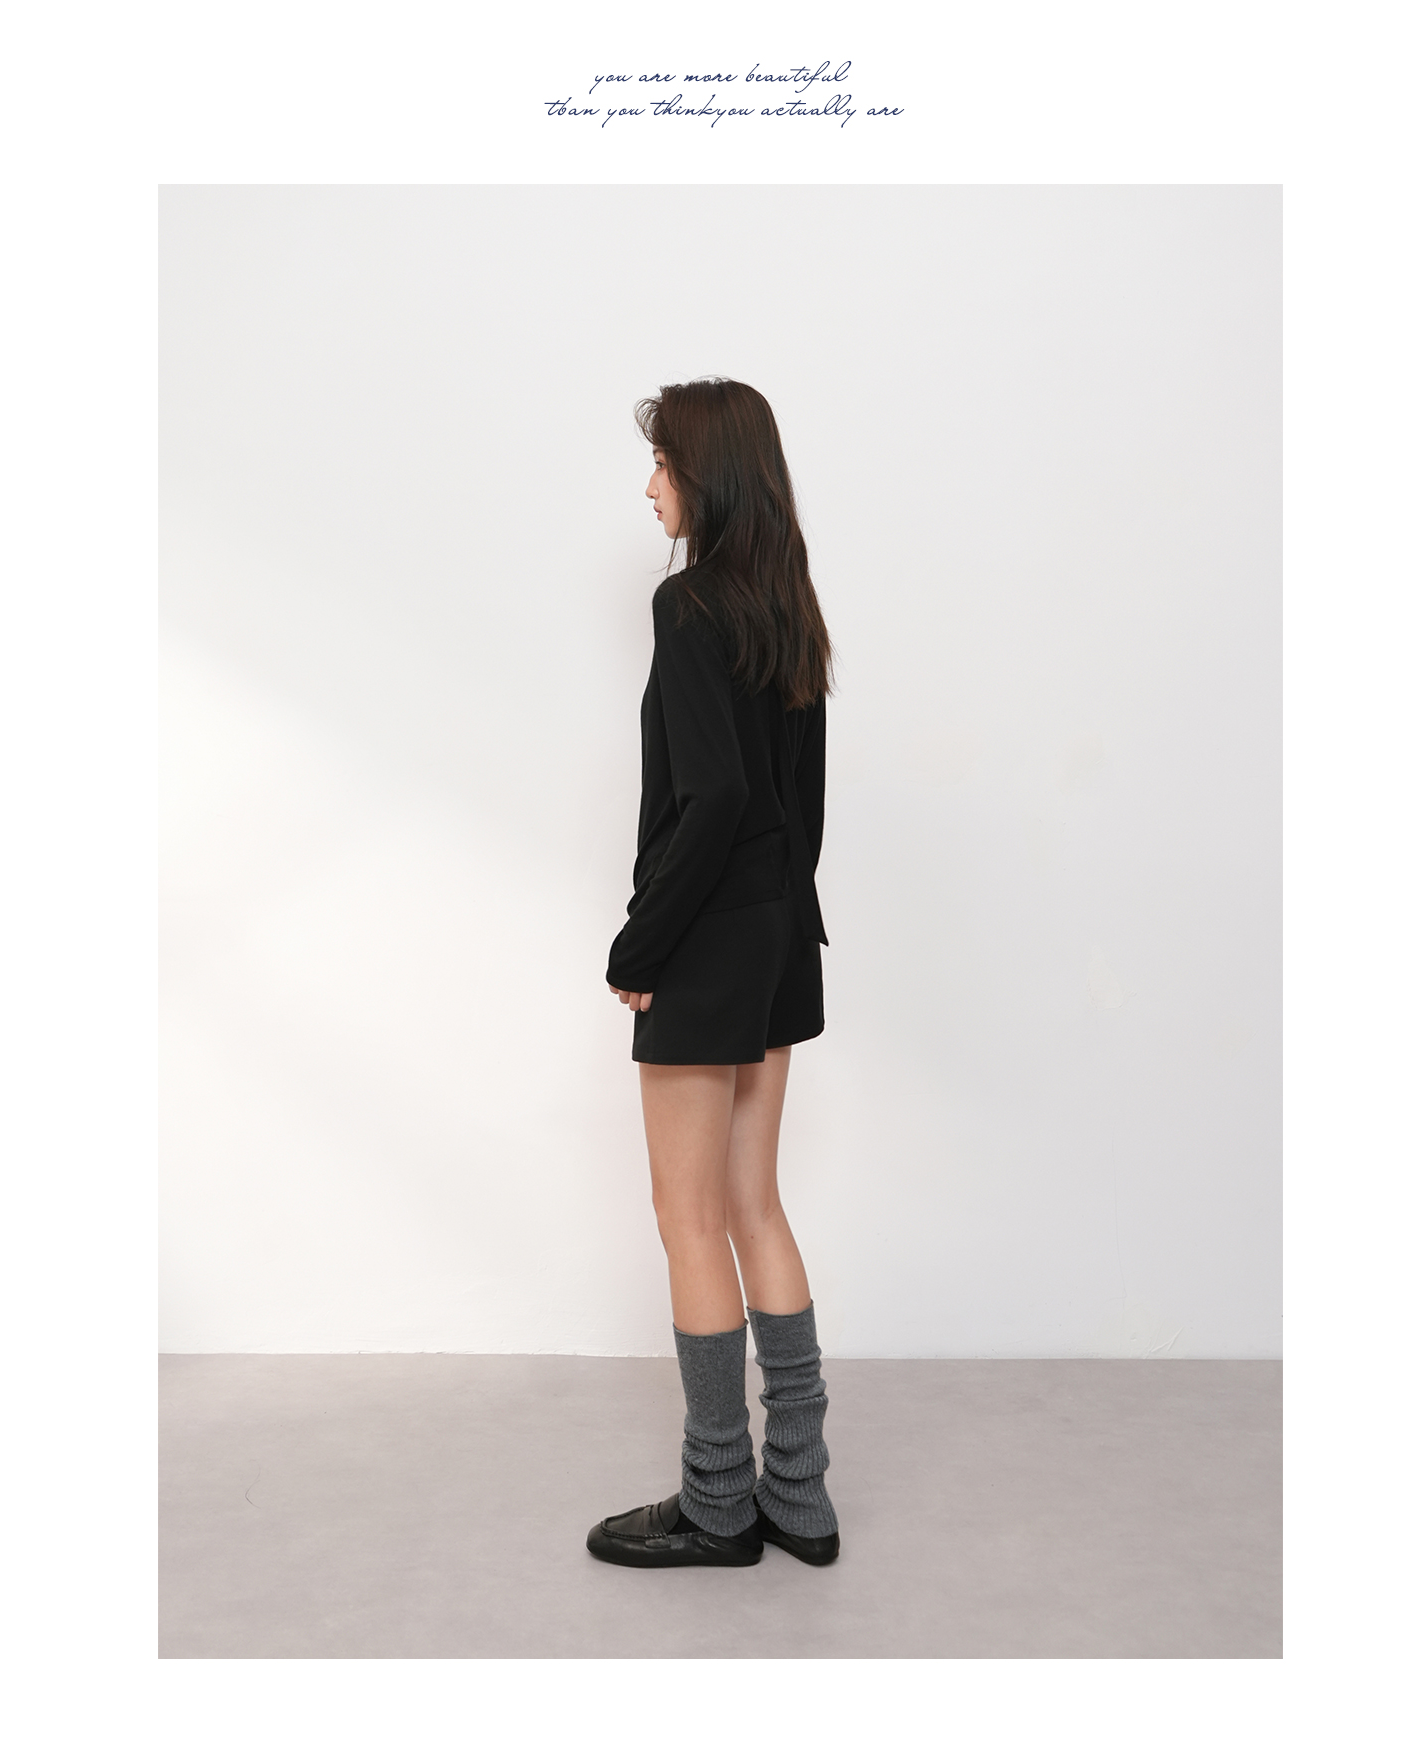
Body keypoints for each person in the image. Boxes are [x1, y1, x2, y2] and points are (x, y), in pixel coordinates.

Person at [585, 377, 841, 1571]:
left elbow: (718, 797)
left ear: (709, 478)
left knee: (688, 1218)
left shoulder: (688, 606)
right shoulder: (791, 609)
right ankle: (801, 1499)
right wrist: (774, 924)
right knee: (754, 1207)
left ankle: (720, 1506)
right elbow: (802, 810)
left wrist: (644, 945)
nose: (651, 487)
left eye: (665, 465)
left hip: (706, 945)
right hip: (782, 935)